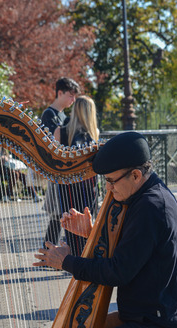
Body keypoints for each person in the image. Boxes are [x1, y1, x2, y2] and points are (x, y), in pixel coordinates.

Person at [34, 132, 177, 328]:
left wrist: (66, 262)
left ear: (136, 175)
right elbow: (136, 250)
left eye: (111, 181)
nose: (108, 188)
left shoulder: (151, 206)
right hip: (147, 315)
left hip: (162, 326)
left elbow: (118, 272)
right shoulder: (146, 197)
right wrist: (90, 232)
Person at [52, 95, 99, 255]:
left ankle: (75, 262)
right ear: (90, 112)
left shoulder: (60, 132)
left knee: (71, 225)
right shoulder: (94, 133)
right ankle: (88, 261)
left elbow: (55, 164)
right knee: (88, 224)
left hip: (67, 187)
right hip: (89, 186)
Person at [41, 78, 81, 245]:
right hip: (57, 170)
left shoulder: (64, 115)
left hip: (65, 171)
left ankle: (49, 251)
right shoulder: (48, 115)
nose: (73, 100)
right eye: (70, 96)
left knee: (60, 215)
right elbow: (51, 144)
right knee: (58, 214)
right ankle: (49, 251)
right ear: (60, 93)